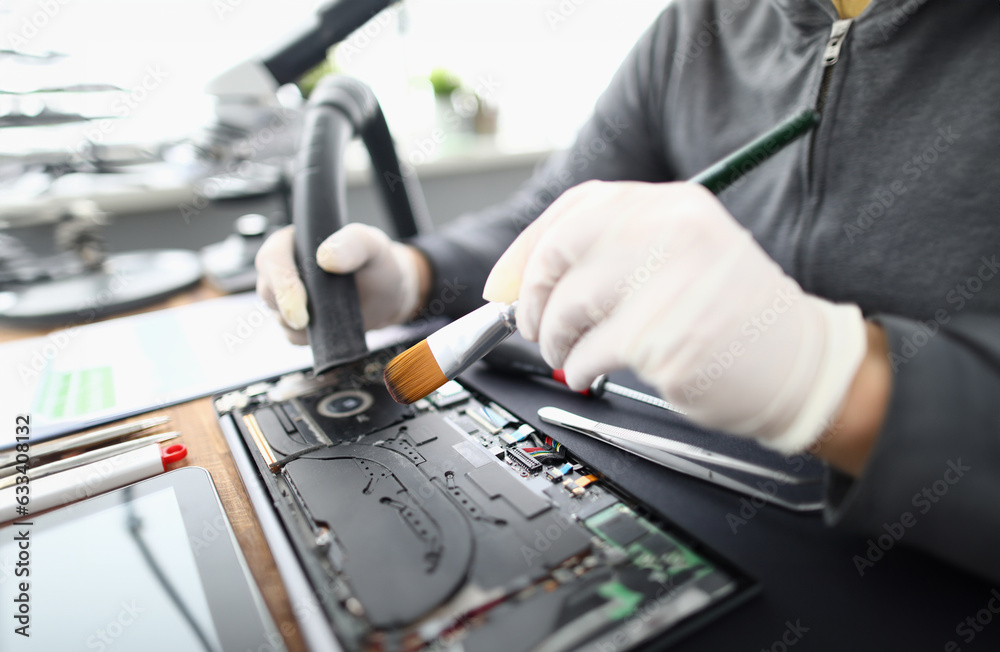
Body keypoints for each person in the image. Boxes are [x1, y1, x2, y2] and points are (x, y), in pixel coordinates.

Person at [256, 0, 1000, 581]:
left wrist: (834, 379)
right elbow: (542, 223)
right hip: (733, 527)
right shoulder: (699, 25)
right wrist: (406, 276)